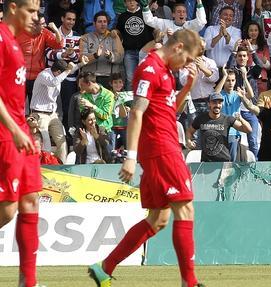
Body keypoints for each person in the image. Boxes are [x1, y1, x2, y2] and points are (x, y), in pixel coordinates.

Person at [88, 29, 204, 287]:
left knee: (159, 219)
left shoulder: (164, 72)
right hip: (162, 149)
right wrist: (130, 156)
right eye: (187, 59)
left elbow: (167, 111)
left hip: (162, 145)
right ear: (178, 47)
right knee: (185, 208)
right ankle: (190, 283)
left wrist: (187, 88)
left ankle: (104, 267)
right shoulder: (150, 69)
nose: (186, 65)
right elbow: (136, 112)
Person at [0, 0, 43, 286]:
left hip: (20, 131)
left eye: (38, 11)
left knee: (31, 201)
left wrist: (24, 130)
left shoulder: (16, 42)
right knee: (7, 209)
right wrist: (14, 129)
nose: (36, 17)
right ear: (13, 7)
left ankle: (27, 282)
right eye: (31, 10)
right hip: (5, 133)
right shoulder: (1, 38)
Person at [30, 59, 75, 163]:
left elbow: (71, 70)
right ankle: (45, 167)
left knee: (62, 142)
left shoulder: (58, 74)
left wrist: (81, 64)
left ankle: (61, 166)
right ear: (59, 72)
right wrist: (67, 71)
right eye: (63, 73)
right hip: (39, 113)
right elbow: (54, 82)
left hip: (53, 114)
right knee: (46, 144)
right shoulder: (43, 75)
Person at [45, 9, 82, 137]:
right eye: (68, 19)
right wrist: (64, 54)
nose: (71, 22)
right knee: (50, 107)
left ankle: (66, 137)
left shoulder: (77, 36)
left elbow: (77, 59)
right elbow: (48, 54)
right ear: (62, 19)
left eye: (73, 19)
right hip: (52, 76)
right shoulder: (51, 33)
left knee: (67, 110)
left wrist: (71, 53)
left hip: (70, 78)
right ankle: (49, 136)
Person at [186, 93, 252, 162]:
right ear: (209, 104)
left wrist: (241, 119)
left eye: (219, 103)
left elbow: (248, 130)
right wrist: (188, 141)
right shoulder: (201, 118)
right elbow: (189, 131)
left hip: (224, 161)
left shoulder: (227, 119)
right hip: (206, 162)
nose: (217, 105)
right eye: (214, 102)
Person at [18, 14, 64, 104]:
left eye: (44, 23)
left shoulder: (45, 32)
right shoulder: (19, 32)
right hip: (20, 76)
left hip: (37, 77)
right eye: (41, 24)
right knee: (17, 107)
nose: (45, 25)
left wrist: (56, 30)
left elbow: (59, 45)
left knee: (35, 106)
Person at [79, 11, 124, 87]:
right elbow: (81, 58)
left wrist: (110, 56)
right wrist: (95, 55)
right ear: (94, 24)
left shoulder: (113, 37)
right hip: (90, 77)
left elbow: (120, 57)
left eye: (105, 22)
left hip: (109, 78)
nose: (103, 24)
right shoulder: (85, 38)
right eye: (100, 22)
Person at [116, 0, 154, 90]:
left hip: (145, 51)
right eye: (128, 1)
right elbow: (118, 32)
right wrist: (115, 32)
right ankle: (130, 103)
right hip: (129, 52)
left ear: (137, 2)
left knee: (146, 77)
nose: (131, 3)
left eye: (133, 0)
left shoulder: (145, 13)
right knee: (130, 78)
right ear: (125, 4)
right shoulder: (122, 17)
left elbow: (154, 29)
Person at [141, 0, 206, 44]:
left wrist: (199, 2)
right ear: (173, 14)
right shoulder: (166, 24)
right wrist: (145, 7)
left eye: (184, 12)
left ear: (186, 15)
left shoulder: (190, 26)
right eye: (179, 11)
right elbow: (149, 20)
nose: (181, 14)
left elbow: (202, 21)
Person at [109, 73, 132, 150]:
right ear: (111, 83)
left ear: (123, 83)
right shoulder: (107, 95)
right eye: (115, 82)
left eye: (120, 82)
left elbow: (133, 108)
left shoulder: (126, 95)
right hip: (112, 127)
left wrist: (129, 109)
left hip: (125, 126)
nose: (118, 84)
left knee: (128, 149)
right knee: (111, 149)